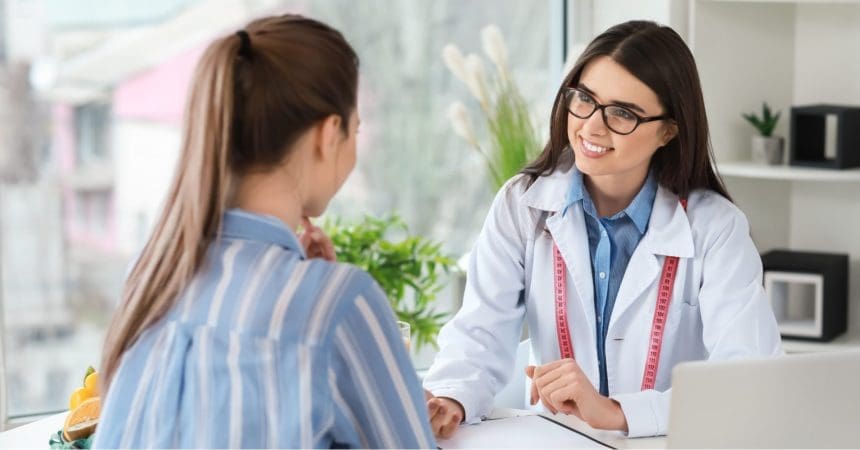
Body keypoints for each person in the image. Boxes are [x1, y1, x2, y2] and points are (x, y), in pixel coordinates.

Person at [423, 20, 782, 439]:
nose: (592, 126)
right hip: (559, 440)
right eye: (585, 100)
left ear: (668, 130)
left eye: (622, 114)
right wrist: (451, 398)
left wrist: (614, 412)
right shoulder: (523, 204)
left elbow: (748, 379)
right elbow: (479, 333)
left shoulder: (714, 227)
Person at [93, 15, 435, 449]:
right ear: (329, 135)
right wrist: (322, 293)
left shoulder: (150, 272)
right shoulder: (340, 302)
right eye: (356, 130)